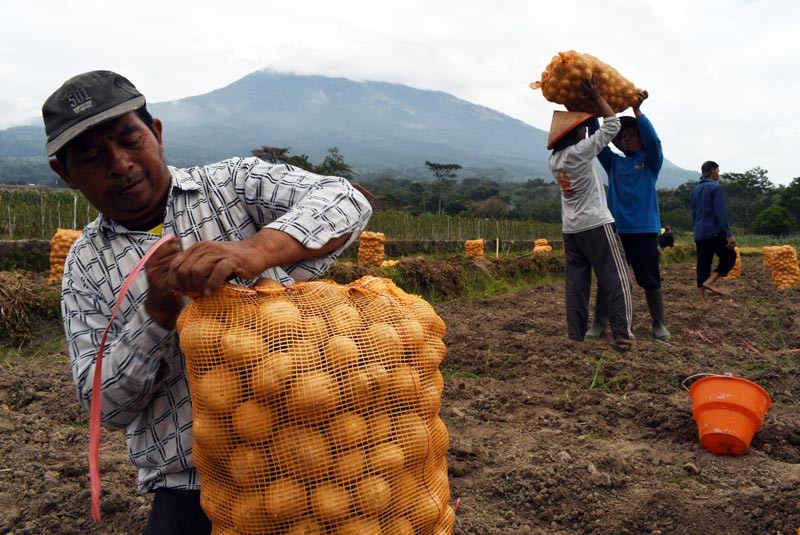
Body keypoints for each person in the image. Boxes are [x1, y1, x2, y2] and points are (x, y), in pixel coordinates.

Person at [42, 70, 372, 534]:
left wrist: (255, 250)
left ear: (155, 133)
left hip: (310, 444)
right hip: (188, 483)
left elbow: (345, 198)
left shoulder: (232, 185)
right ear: (65, 174)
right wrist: (155, 316)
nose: (120, 164)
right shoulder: (85, 265)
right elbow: (104, 406)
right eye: (92, 156)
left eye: (129, 139)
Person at [547, 77, 634, 350]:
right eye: (582, 129)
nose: (585, 133)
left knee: (576, 286)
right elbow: (614, 124)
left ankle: (575, 336)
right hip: (596, 225)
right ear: (574, 135)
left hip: (571, 230)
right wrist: (596, 97)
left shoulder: (554, 160)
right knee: (617, 278)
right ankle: (622, 333)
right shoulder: (579, 153)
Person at [585, 90, 670, 341]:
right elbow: (597, 139)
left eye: (634, 134)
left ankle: (659, 324)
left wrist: (637, 110)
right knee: (608, 279)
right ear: (619, 141)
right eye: (625, 135)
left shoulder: (651, 162)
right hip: (616, 231)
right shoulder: (614, 163)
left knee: (649, 278)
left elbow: (654, 141)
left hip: (643, 231)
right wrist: (593, 109)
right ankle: (599, 323)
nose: (629, 138)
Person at [690, 160, 737, 300]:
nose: (718, 174)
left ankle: (701, 298)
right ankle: (709, 282)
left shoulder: (694, 191)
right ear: (712, 171)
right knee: (729, 257)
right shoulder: (716, 188)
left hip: (699, 232)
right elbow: (720, 212)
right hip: (714, 231)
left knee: (703, 263)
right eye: (718, 170)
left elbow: (694, 214)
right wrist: (728, 233)